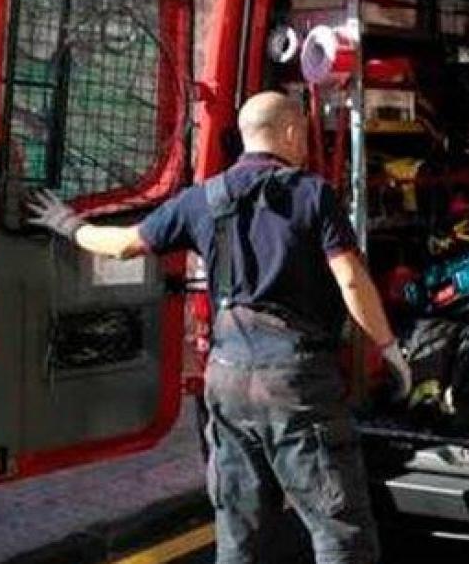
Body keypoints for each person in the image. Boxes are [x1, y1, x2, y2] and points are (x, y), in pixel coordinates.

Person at [28, 91, 411, 564]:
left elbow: (124, 244)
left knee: (240, 531)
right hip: (296, 383)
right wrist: (389, 348)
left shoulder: (201, 200)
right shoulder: (313, 194)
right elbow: (351, 278)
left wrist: (67, 224)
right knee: (340, 532)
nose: (308, 147)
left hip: (227, 382)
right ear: (289, 133)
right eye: (304, 136)